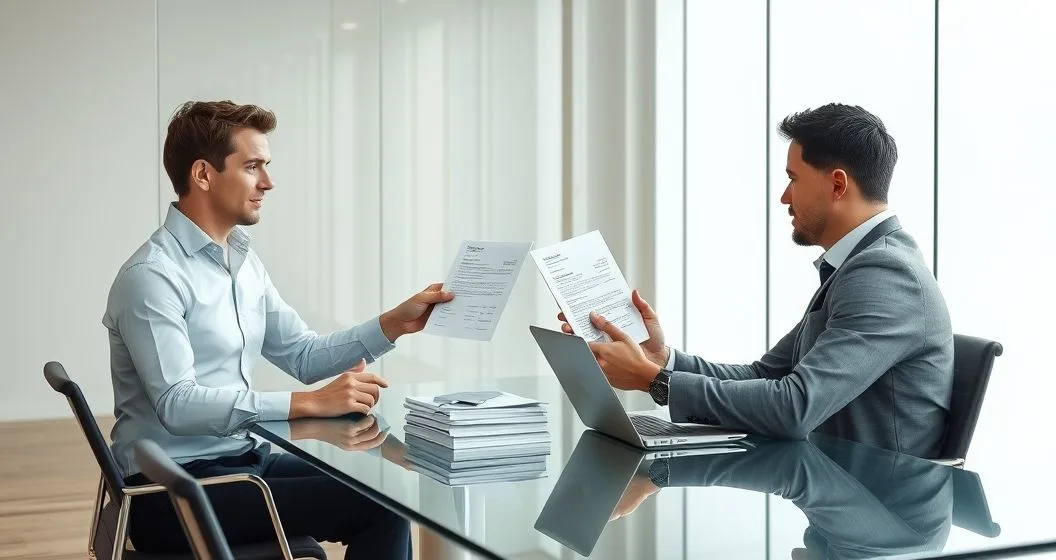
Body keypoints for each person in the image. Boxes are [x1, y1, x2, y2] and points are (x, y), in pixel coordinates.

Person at [102, 100, 452, 558]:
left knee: (384, 492)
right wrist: (310, 404)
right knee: (380, 507)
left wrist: (392, 324)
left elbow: (302, 356)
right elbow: (177, 404)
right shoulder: (151, 276)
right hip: (172, 491)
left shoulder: (242, 263)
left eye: (265, 166)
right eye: (252, 167)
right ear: (204, 174)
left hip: (239, 463)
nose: (268, 182)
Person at [560, 103, 953, 459]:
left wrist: (656, 382)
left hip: (882, 517)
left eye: (793, 179)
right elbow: (766, 377)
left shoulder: (884, 275)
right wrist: (660, 360)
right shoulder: (859, 266)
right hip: (839, 492)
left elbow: (793, 408)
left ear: (837, 185)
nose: (784, 197)